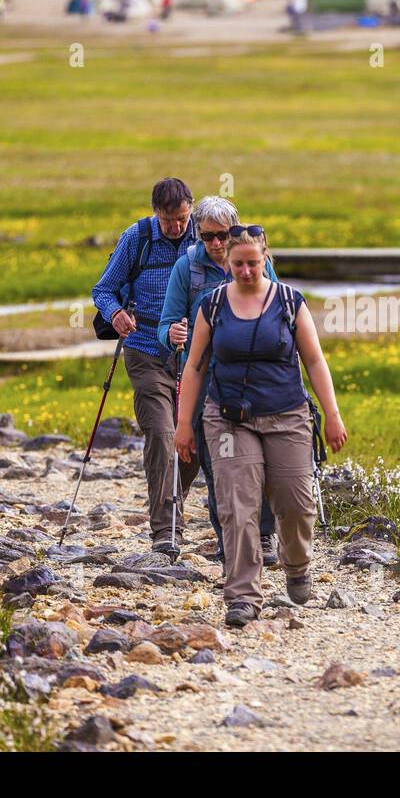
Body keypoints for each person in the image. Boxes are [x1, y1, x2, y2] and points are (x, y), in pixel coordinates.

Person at [174, 225, 347, 627]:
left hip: (287, 415)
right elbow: (194, 367)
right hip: (229, 420)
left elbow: (315, 362)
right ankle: (242, 596)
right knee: (238, 505)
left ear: (265, 257)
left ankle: (297, 564)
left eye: (253, 263)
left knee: (296, 503)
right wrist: (184, 423)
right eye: (238, 264)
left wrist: (333, 414)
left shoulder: (289, 302)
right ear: (227, 262)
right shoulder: (212, 305)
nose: (246, 271)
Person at [158, 195, 281, 569]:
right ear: (197, 234)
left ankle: (263, 534)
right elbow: (166, 325)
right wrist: (173, 334)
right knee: (217, 465)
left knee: (259, 462)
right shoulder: (187, 269)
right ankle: (228, 539)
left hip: (254, 377)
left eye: (222, 236)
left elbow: (282, 310)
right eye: (207, 236)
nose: (215, 244)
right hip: (206, 380)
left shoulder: (253, 263)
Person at [91, 177, 200, 557]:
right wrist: (116, 313)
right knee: (160, 431)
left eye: (182, 219)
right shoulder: (135, 238)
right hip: (144, 347)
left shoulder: (204, 238)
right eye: (169, 221)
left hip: (192, 354)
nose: (176, 228)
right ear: (156, 213)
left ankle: (171, 499)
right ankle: (165, 530)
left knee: (194, 437)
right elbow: (102, 289)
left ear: (191, 209)